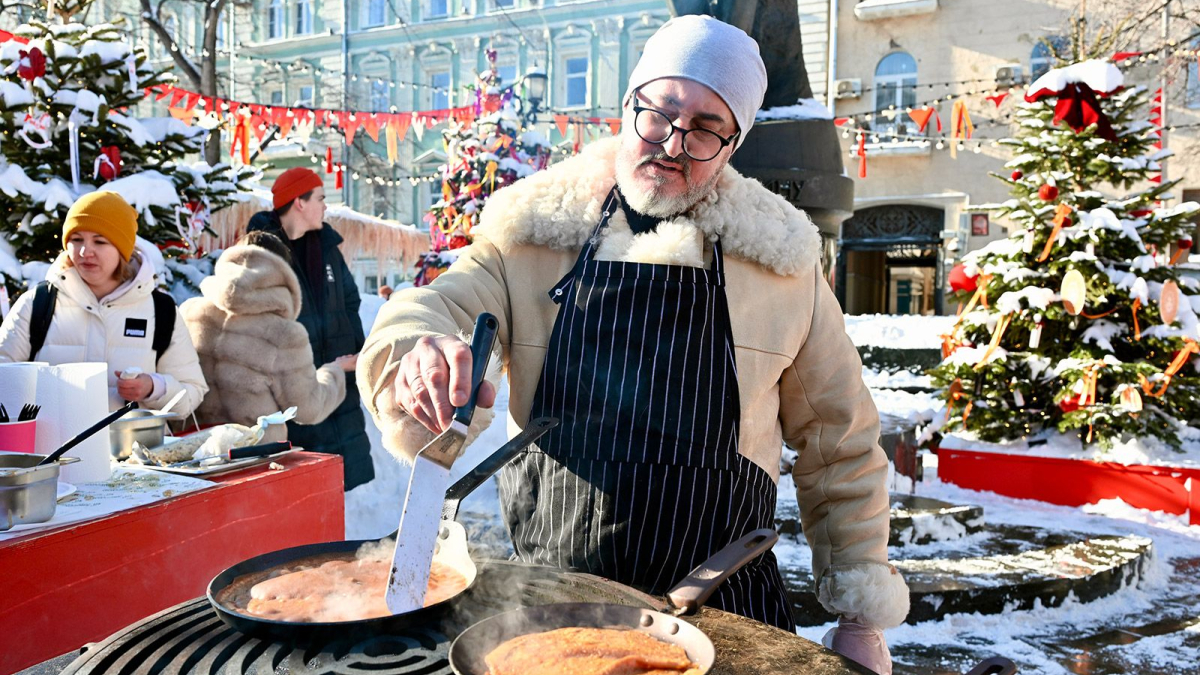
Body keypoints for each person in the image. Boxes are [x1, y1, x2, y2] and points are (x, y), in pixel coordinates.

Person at [359, 16, 907, 674]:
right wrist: (416, 351)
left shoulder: (782, 264)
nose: (673, 143)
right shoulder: (529, 234)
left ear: (733, 144)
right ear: (629, 106)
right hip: (553, 608)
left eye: (705, 127)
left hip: (729, 616)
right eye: (661, 112)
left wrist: (861, 617)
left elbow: (841, 442)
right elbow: (437, 304)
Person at [0, 191, 207, 415]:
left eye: (99, 241)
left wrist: (153, 388)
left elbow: (191, 395)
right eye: (76, 239)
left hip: (130, 439)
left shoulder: (161, 311)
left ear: (122, 249)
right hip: (50, 439)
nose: (84, 252)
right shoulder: (37, 303)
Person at [246, 168, 373, 490]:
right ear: (299, 203)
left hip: (338, 381)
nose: (325, 206)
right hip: (292, 392)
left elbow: (349, 300)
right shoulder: (262, 252)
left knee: (339, 483)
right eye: (320, 198)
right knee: (300, 488)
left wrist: (354, 351)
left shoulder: (327, 247)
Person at [181, 231, 356, 440]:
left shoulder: (190, 313)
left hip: (192, 448)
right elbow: (308, 408)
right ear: (282, 274)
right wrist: (334, 371)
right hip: (253, 451)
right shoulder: (284, 334)